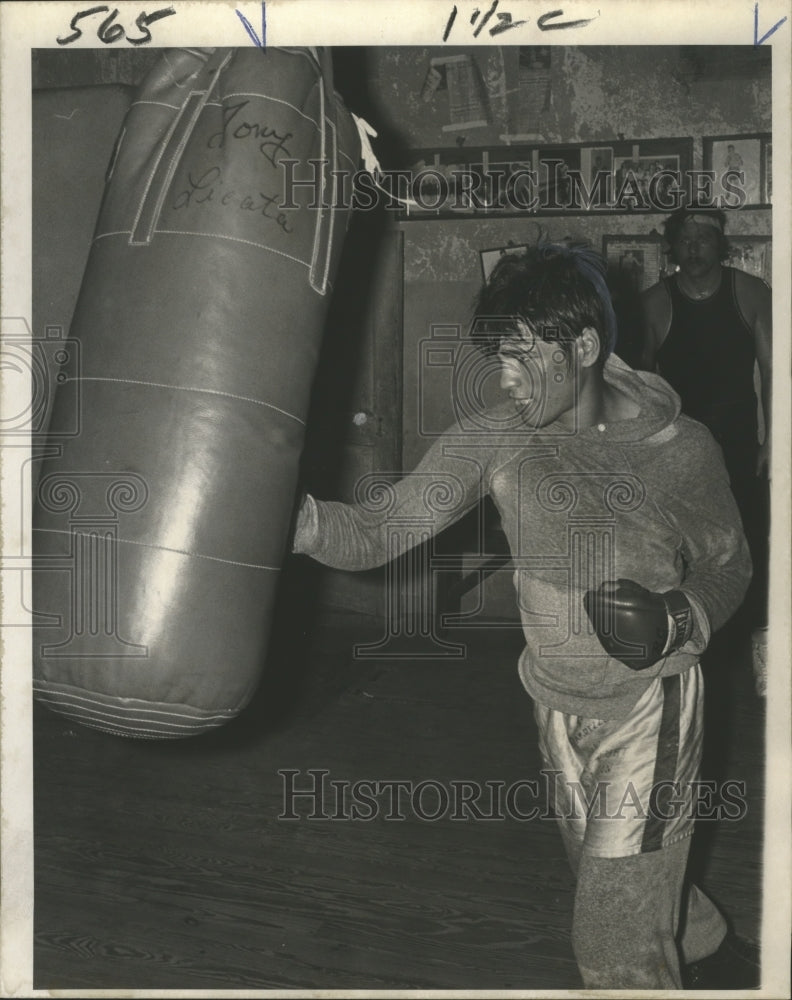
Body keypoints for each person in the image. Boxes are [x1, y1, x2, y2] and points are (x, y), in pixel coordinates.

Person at [292, 243, 756, 990]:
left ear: (583, 347)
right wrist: (299, 523)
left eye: (521, 358)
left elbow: (730, 565)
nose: (505, 381)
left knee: (612, 941)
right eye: (496, 359)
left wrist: (677, 616)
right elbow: (385, 526)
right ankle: (704, 944)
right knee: (616, 872)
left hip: (650, 709)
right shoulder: (501, 434)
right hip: (554, 703)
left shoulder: (680, 450)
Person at [638, 205, 771, 688]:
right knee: (680, 550)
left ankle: (763, 648)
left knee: (748, 542)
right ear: (671, 247)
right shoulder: (654, 302)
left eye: (704, 238)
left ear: (721, 246)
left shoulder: (751, 293)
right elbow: (639, 384)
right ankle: (682, 649)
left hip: (737, 442)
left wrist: (773, 440)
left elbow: (776, 372)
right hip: (678, 448)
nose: (694, 247)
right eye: (685, 238)